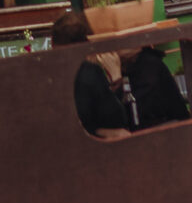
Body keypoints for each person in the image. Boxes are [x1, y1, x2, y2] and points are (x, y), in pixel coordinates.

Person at [51, 10, 135, 140]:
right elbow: (118, 120)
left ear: (53, 44)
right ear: (88, 43)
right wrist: (117, 79)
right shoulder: (88, 72)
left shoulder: (53, 74)